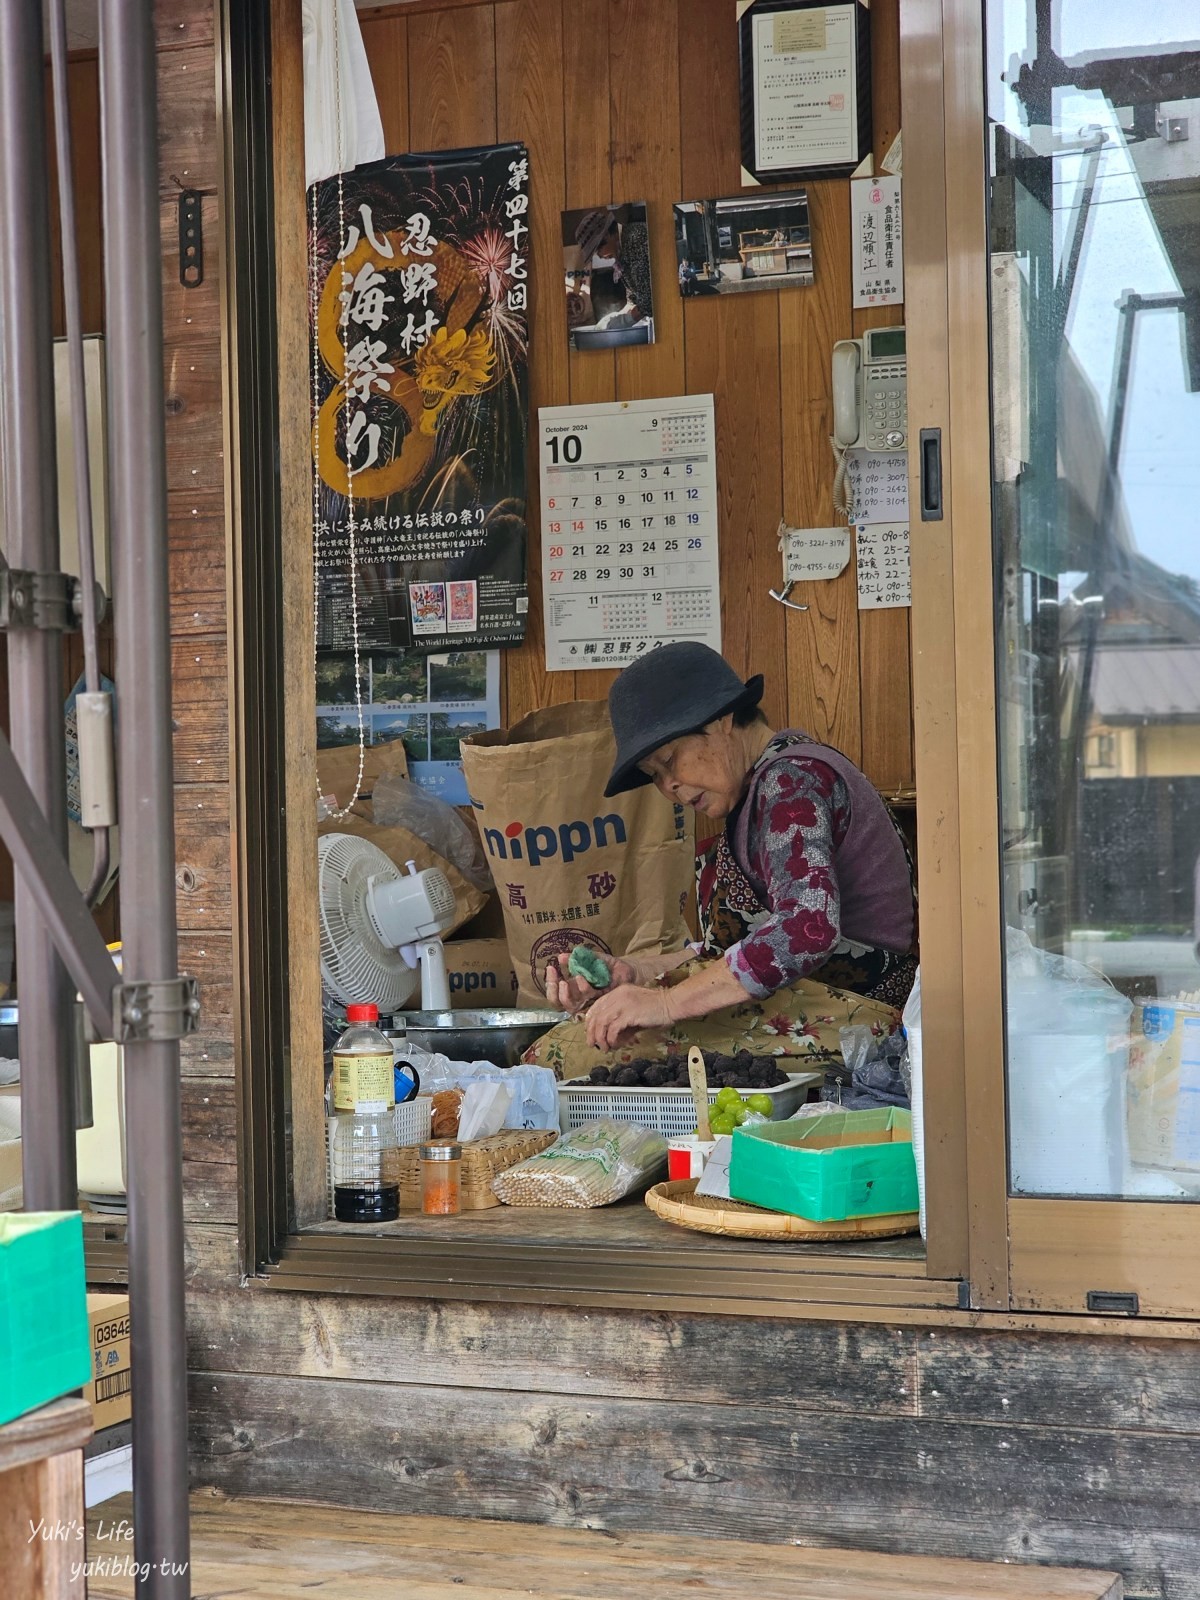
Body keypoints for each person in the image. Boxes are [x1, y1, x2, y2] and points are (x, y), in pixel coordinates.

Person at [528, 642, 916, 1076]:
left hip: (864, 1022)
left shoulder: (790, 782)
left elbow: (806, 930)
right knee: (589, 1034)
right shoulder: (760, 789)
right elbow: (722, 955)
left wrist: (666, 1003)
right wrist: (634, 974)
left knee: (564, 1057)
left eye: (670, 760)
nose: (669, 785)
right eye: (656, 776)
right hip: (815, 1007)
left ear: (722, 718)